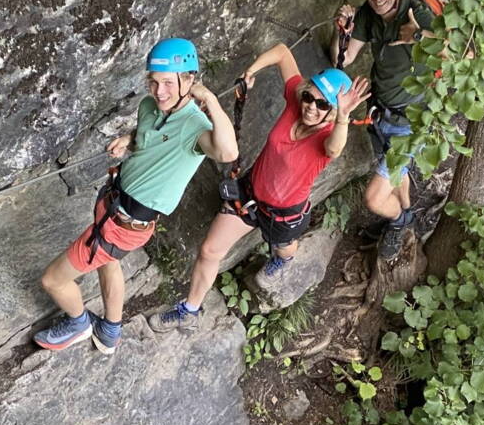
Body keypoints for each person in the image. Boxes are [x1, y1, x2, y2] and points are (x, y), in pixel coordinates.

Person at [33, 37, 238, 353]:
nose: (159, 92)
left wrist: (209, 99)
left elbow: (227, 151)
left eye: (168, 83)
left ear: (189, 81)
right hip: (112, 204)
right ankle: (110, 332)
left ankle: (78, 324)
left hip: (126, 225)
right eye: (154, 82)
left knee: (53, 280)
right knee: (108, 263)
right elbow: (150, 136)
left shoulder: (196, 128)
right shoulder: (149, 107)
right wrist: (130, 140)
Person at [149, 44, 368, 332]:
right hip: (251, 196)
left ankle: (282, 259)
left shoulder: (328, 137)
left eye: (323, 104)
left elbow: (336, 148)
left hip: (285, 214)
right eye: (309, 97)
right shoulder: (295, 101)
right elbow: (281, 52)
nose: (311, 107)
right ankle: (190, 310)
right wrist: (249, 72)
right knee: (209, 250)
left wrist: (342, 117)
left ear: (333, 112)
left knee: (284, 247)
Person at [332, 0, 442, 259]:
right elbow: (343, 58)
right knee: (398, 175)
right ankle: (405, 213)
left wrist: (418, 36)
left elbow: (465, 55)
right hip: (380, 114)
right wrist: (340, 29)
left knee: (373, 198)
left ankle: (399, 220)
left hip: (411, 123)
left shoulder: (418, 13)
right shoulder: (368, 14)